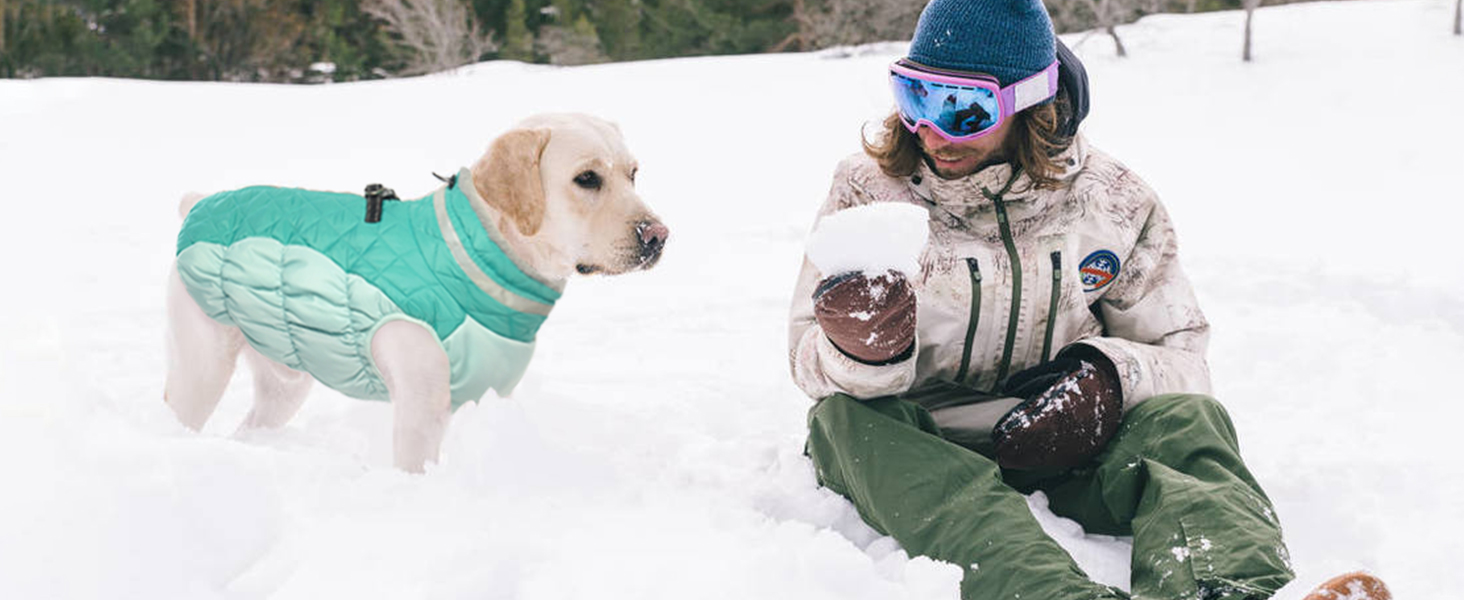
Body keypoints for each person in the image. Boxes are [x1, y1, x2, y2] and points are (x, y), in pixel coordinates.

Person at [786, 1, 1391, 599]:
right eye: (916, 96)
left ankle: (1230, 591)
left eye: (964, 108)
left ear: (1029, 104)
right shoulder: (869, 190)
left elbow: (1181, 352)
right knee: (843, 422)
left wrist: (1109, 378)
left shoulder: (1112, 202)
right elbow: (806, 359)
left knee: (1188, 422)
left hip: (1059, 435)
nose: (932, 130)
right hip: (917, 447)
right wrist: (861, 352)